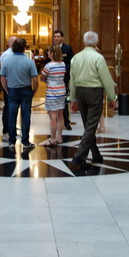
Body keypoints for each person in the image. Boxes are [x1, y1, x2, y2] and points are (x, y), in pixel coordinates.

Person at [68, 31, 117, 168]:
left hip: (80, 91)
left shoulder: (76, 58)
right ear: (96, 42)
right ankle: (79, 156)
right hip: (94, 92)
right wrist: (112, 97)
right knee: (91, 126)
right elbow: (106, 79)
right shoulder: (98, 58)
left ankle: (96, 155)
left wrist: (73, 98)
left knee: (88, 125)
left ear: (84, 42)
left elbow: (72, 80)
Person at [0, 37, 38, 155]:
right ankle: (25, 141)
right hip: (26, 90)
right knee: (26, 116)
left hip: (12, 90)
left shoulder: (6, 61)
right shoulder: (29, 61)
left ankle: (12, 141)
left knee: (12, 116)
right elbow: (35, 79)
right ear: (24, 48)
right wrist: (34, 92)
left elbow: (3, 78)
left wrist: (7, 90)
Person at [40, 45, 66, 146]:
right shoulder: (63, 64)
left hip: (52, 92)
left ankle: (53, 139)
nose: (47, 53)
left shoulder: (49, 66)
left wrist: (47, 80)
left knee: (52, 116)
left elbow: (42, 78)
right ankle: (59, 137)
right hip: (61, 91)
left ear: (52, 53)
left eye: (48, 52)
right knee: (60, 115)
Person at [52, 29, 75, 130]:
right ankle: (55, 121)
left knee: (64, 100)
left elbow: (72, 62)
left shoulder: (67, 48)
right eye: (55, 37)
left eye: (58, 36)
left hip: (64, 78)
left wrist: (65, 69)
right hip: (53, 79)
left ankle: (66, 121)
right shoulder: (51, 48)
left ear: (62, 38)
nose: (56, 38)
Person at [0, 36, 17, 135]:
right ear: (9, 44)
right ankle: (6, 129)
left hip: (15, 84)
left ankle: (11, 127)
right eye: (13, 42)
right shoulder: (7, 55)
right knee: (8, 107)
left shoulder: (15, 54)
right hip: (8, 83)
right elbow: (4, 72)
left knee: (13, 107)